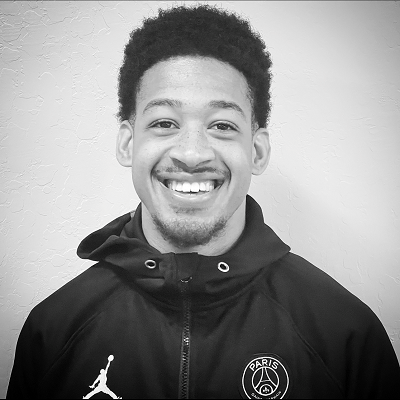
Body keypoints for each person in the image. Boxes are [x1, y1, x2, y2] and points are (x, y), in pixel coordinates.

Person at [6, 4, 400, 399]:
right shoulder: (53, 332)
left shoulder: (345, 336)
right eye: (164, 123)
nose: (192, 154)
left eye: (222, 125)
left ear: (257, 151)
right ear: (128, 143)